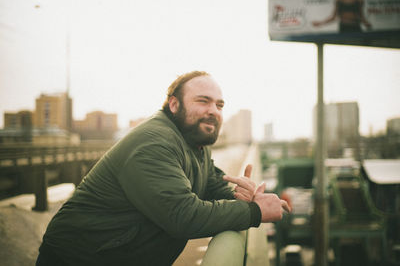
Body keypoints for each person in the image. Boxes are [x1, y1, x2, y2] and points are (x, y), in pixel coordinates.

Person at [36, 71, 290, 266]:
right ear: (174, 105)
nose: (213, 111)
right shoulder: (154, 143)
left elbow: (212, 184)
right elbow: (183, 216)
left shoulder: (194, 142)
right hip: (80, 259)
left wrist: (244, 196)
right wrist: (255, 212)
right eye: (203, 101)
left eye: (219, 105)